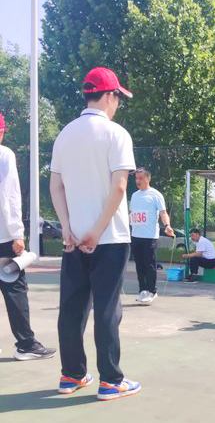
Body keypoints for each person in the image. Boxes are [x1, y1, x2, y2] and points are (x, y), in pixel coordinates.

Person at [49, 67, 141, 401]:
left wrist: (67, 228)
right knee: (107, 308)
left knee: (71, 307)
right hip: (110, 238)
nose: (118, 104)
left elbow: (55, 186)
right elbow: (119, 188)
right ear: (109, 96)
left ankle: (71, 375)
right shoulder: (117, 134)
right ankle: (111, 380)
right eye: (118, 98)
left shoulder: (64, 135)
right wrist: (98, 230)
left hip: (73, 240)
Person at [0, 112, 56, 361]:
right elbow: (9, 195)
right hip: (3, 237)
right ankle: (26, 344)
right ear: (2, 131)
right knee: (15, 290)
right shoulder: (4, 155)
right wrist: (17, 233)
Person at [130, 167, 174, 305]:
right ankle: (142, 290)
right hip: (135, 235)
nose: (138, 181)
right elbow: (132, 214)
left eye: (141, 178)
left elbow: (163, 212)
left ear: (148, 178)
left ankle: (151, 291)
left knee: (149, 264)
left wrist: (167, 226)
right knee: (139, 265)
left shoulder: (156, 195)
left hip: (149, 236)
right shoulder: (134, 195)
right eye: (136, 178)